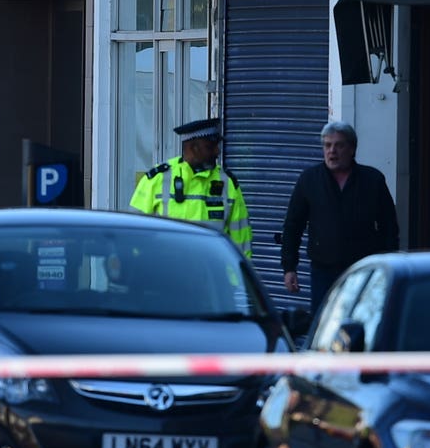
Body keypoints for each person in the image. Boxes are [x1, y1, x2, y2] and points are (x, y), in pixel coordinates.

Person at [281, 120, 399, 315]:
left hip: (364, 271)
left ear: (352, 149)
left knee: (362, 325)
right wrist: (289, 267)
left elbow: (389, 228)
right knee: (325, 325)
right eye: (327, 145)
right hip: (323, 273)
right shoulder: (310, 180)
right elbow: (293, 226)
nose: (332, 151)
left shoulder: (372, 180)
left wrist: (387, 268)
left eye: (339, 145)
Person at [129, 117, 253, 257]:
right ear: (194, 148)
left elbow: (241, 247)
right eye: (210, 147)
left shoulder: (228, 183)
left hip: (209, 277)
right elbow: (133, 234)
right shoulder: (156, 180)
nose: (217, 152)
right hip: (164, 275)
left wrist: (238, 277)